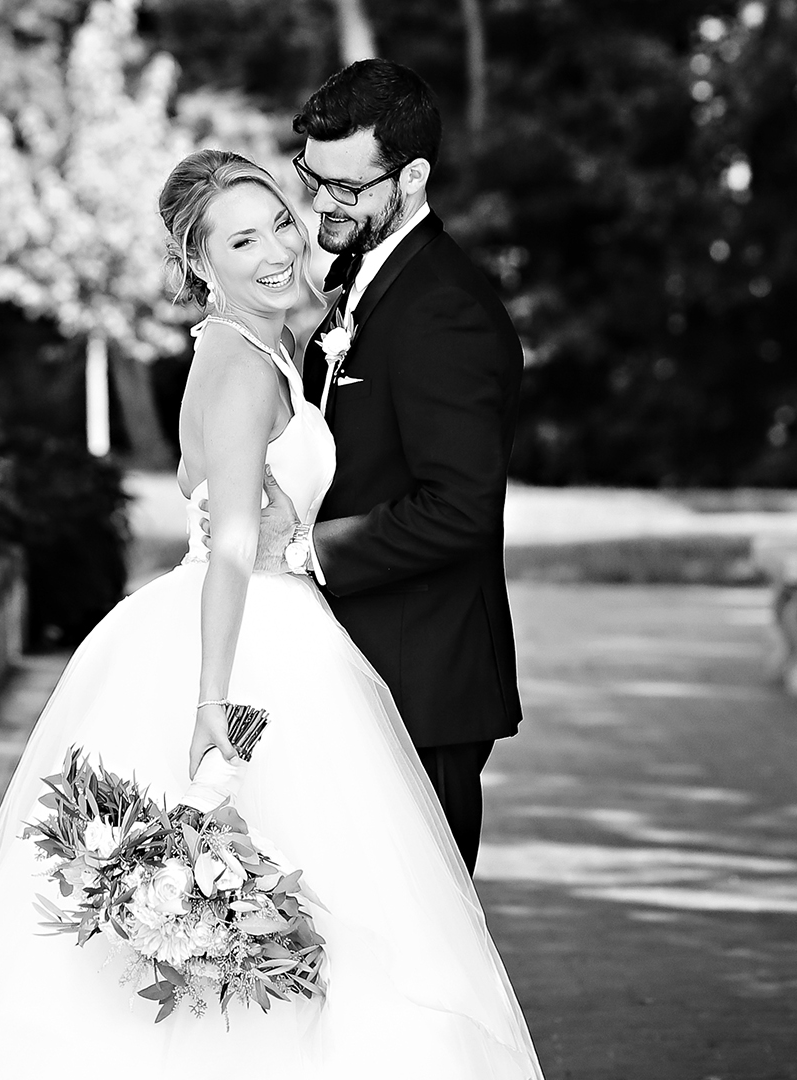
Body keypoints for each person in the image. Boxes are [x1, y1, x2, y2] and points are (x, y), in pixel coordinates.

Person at [0, 149, 540, 1079]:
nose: (278, 250)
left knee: (298, 908)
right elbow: (233, 544)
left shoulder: (257, 344)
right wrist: (211, 705)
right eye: (243, 241)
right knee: (284, 901)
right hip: (250, 642)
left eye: (279, 223)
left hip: (281, 623)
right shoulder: (237, 364)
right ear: (199, 263)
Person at [218, 59, 526, 872]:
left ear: (412, 176)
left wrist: (299, 548)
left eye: (347, 188)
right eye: (312, 177)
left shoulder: (444, 309)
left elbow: (459, 507)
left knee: (421, 926)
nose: (321, 203)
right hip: (361, 672)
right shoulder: (362, 275)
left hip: (422, 681)